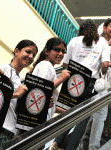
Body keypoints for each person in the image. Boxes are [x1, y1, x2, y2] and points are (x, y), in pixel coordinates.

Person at [51, 20, 110, 150]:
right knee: (83, 119)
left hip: (72, 81)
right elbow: (106, 64)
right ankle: (71, 148)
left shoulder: (74, 40)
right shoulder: (102, 43)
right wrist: (102, 72)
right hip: (90, 83)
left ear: (82, 28)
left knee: (68, 113)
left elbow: (65, 64)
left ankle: (55, 144)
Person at [0, 39, 38, 150]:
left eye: (34, 55)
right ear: (16, 51)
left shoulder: (18, 78)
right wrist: (17, 94)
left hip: (9, 131)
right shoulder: (5, 69)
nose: (31, 57)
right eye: (28, 52)